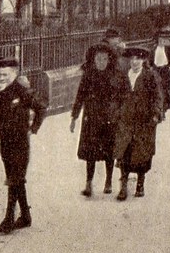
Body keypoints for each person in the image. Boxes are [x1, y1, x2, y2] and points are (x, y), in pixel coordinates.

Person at [0, 59, 45, 234]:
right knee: (15, 178)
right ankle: (25, 216)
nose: (1, 78)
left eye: (5, 74)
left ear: (15, 74)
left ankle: (9, 219)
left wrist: (33, 129)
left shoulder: (22, 92)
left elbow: (41, 108)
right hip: (5, 142)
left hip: (20, 143)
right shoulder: (1, 95)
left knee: (14, 179)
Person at [70, 42, 127, 198]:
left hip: (110, 118)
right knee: (90, 151)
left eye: (104, 59)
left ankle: (108, 181)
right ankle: (89, 183)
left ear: (109, 59)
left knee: (109, 150)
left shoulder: (117, 75)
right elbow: (80, 96)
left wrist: (122, 114)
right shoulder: (88, 74)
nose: (101, 62)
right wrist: (74, 116)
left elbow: (125, 96)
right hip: (92, 118)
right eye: (98, 59)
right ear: (93, 59)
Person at [113, 46, 164, 199]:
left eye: (138, 59)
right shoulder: (123, 77)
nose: (134, 62)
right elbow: (116, 97)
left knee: (142, 152)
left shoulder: (150, 76)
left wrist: (156, 113)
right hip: (126, 120)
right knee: (124, 151)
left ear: (143, 60)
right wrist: (116, 113)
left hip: (144, 121)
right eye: (132, 59)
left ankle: (140, 183)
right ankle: (123, 186)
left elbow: (157, 97)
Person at [151, 28, 170, 120]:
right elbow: (149, 60)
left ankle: (163, 110)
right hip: (155, 71)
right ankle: (159, 110)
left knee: (165, 91)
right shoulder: (154, 48)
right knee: (157, 90)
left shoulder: (168, 48)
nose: (162, 41)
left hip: (165, 71)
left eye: (164, 39)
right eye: (160, 38)